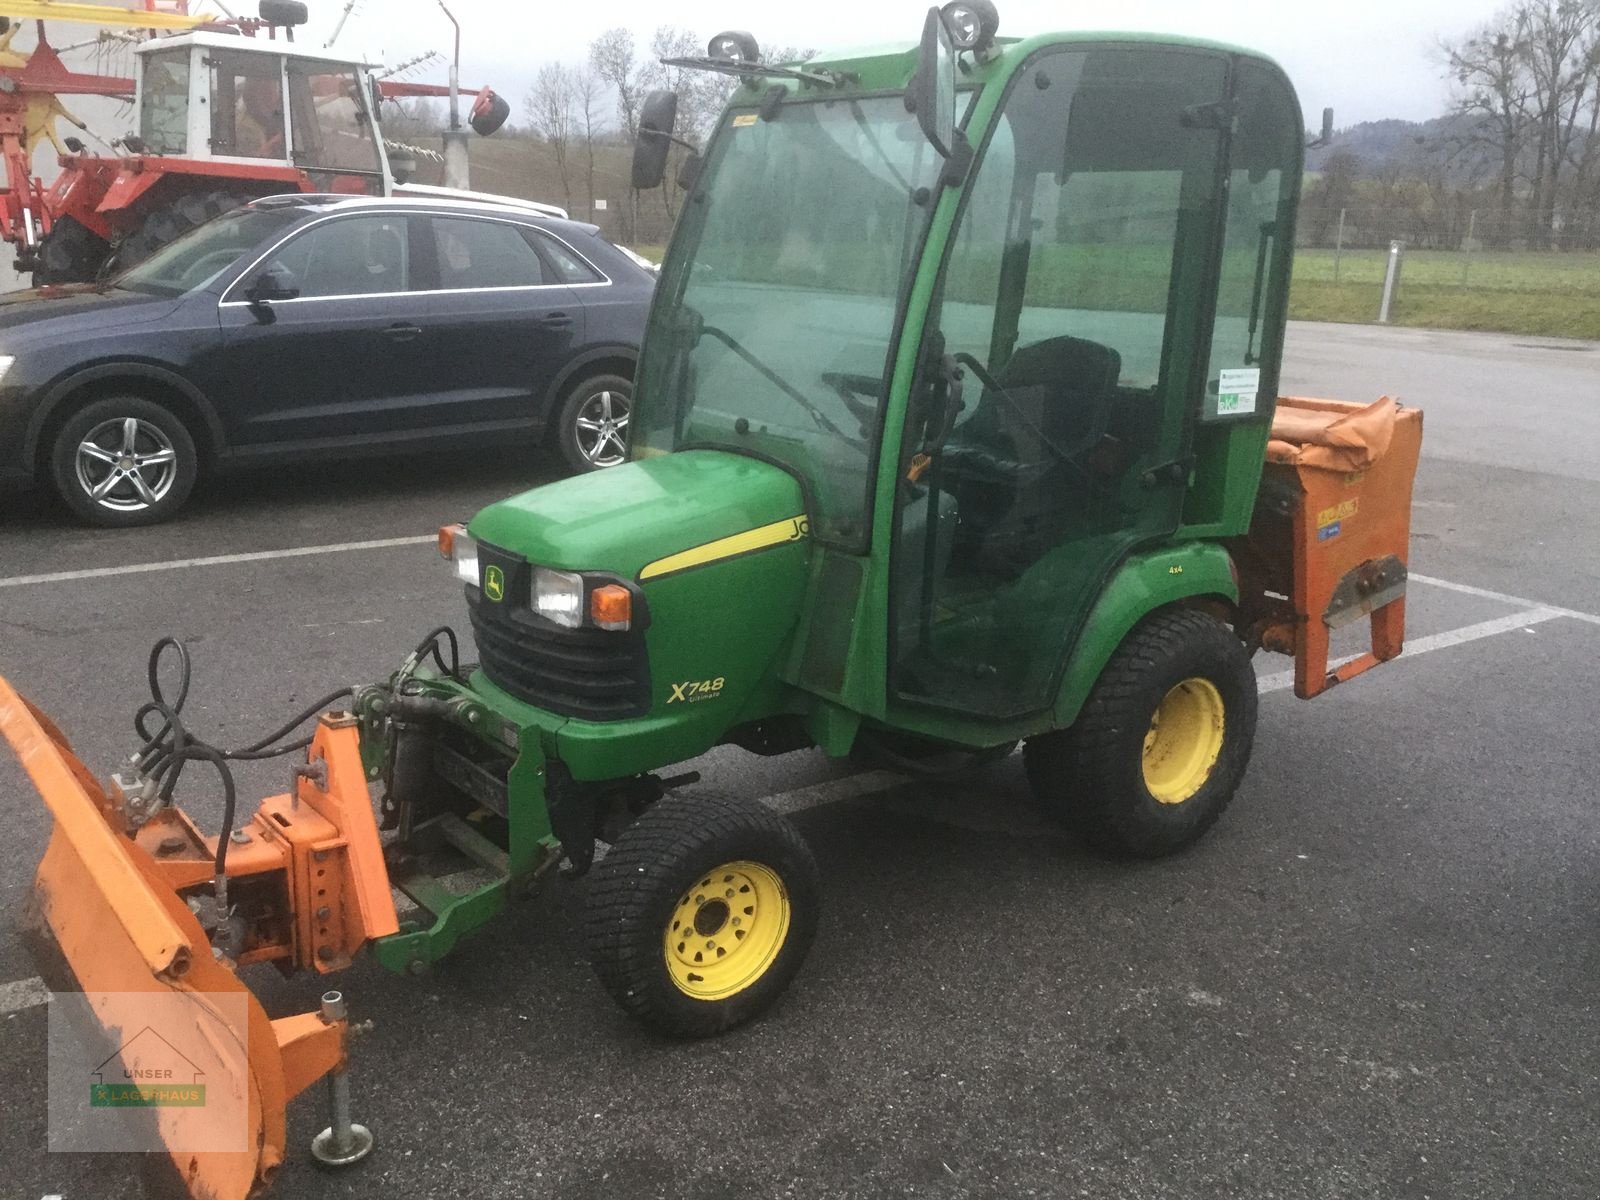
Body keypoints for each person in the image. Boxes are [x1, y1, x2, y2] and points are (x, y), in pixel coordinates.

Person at [234, 75, 284, 158]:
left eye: (274, 92)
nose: (272, 98)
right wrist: (270, 146)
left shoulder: (271, 123)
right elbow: (250, 164)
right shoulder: (246, 129)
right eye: (265, 93)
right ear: (251, 97)